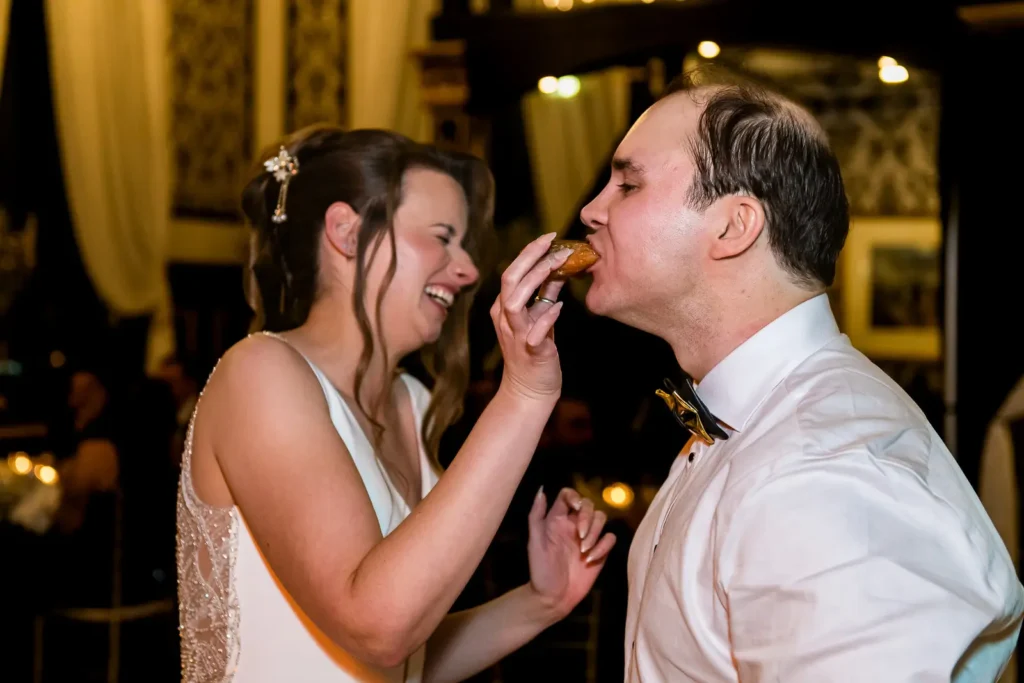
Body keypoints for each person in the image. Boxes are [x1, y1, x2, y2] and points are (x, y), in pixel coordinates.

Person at [579, 69, 1024, 682]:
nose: (590, 210)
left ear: (734, 226)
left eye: (627, 184)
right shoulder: (754, 423)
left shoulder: (823, 471)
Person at [176, 126, 616, 682]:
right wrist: (524, 394)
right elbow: (376, 629)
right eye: (441, 236)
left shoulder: (411, 401)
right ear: (347, 233)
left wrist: (539, 603)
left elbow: (404, 663)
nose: (469, 270)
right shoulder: (260, 373)